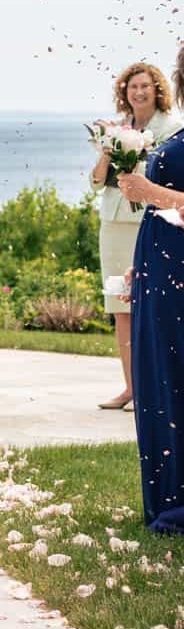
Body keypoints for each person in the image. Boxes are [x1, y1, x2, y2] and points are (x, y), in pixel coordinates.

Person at [119, 46, 184, 534]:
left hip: (177, 279)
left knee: (173, 381)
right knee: (161, 381)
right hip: (161, 272)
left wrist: (150, 193)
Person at [91, 62, 180, 412]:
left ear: (158, 89)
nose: (139, 92)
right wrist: (105, 154)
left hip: (151, 220)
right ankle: (131, 388)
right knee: (120, 307)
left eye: (145, 86)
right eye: (132, 87)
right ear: (124, 93)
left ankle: (154, 388)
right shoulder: (117, 129)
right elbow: (97, 181)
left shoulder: (173, 128)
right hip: (113, 222)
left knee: (151, 307)